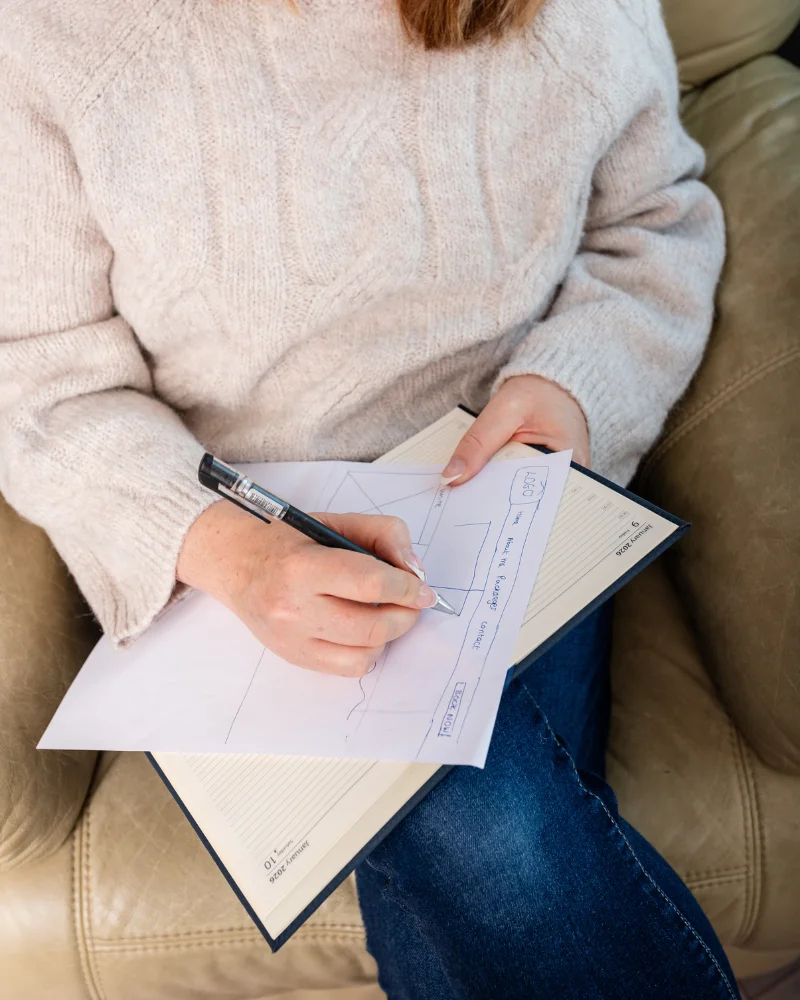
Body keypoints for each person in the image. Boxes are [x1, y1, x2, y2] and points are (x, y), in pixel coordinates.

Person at [0, 0, 735, 996]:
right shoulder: (53, 33)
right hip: (237, 535)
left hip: (501, 499)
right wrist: (228, 550)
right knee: (478, 827)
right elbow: (36, 376)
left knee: (476, 840)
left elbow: (654, 218)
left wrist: (573, 383)